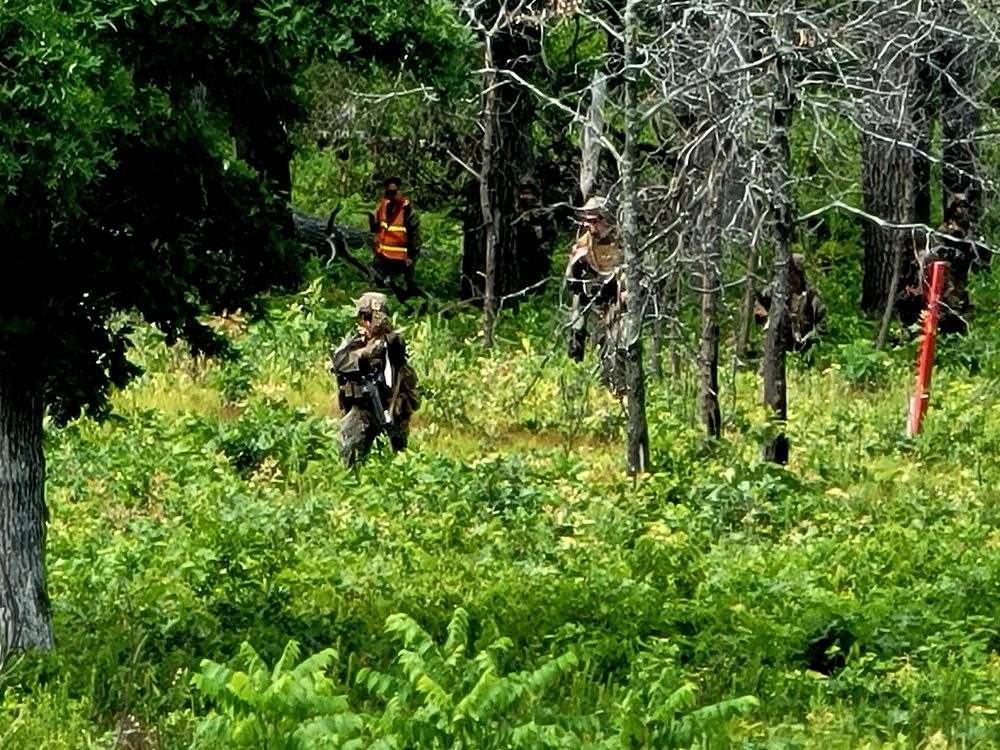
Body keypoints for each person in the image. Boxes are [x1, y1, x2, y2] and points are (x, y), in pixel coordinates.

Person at [330, 292, 419, 468]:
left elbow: (396, 350)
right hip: (361, 408)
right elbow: (339, 362)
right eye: (362, 317)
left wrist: (381, 334)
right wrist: (364, 353)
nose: (364, 322)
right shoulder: (356, 341)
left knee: (398, 459)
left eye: (368, 316)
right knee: (350, 448)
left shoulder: (391, 341)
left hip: (390, 408)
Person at [565, 196, 627, 394]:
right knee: (578, 326)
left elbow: (636, 272)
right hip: (592, 294)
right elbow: (571, 281)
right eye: (586, 220)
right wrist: (575, 263)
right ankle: (575, 371)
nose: (589, 225)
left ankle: (616, 384)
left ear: (606, 218)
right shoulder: (585, 241)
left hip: (616, 298)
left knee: (615, 339)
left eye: (594, 220)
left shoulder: (622, 240)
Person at [754, 253, 826, 353]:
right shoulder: (777, 291)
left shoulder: (811, 297)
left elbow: (823, 326)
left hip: (804, 350)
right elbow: (758, 297)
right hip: (777, 347)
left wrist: (809, 339)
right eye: (789, 276)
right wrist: (760, 310)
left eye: (795, 275)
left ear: (800, 275)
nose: (792, 280)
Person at [369, 177, 421, 301]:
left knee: (402, 288)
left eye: (393, 192)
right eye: (388, 193)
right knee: (376, 284)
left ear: (399, 192)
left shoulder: (407, 210)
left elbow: (414, 235)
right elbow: (377, 228)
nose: (390, 196)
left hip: (401, 258)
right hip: (382, 255)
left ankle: (406, 307)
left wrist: (411, 255)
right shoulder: (382, 207)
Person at [513, 177, 557, 294]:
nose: (527, 197)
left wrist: (544, 249)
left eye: (529, 193)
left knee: (538, 288)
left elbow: (552, 235)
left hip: (538, 256)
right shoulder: (514, 215)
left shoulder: (543, 213)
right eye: (524, 193)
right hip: (519, 257)